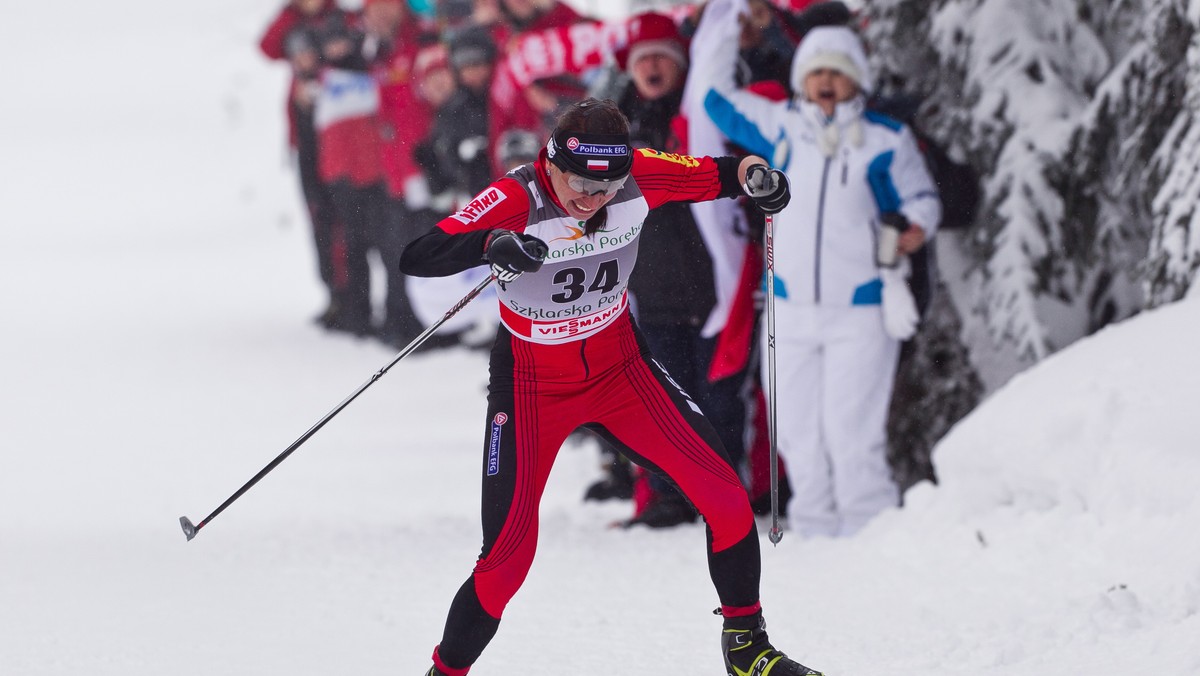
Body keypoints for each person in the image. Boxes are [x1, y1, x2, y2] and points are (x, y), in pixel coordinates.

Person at [399, 98, 822, 676]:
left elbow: (723, 173)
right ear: (551, 163)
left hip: (621, 372)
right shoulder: (515, 197)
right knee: (505, 561)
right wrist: (489, 244)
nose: (593, 200)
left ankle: (747, 648)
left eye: (609, 187)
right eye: (579, 186)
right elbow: (417, 255)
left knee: (726, 499)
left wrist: (759, 178)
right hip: (531, 388)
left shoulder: (640, 175)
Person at [702, 0, 941, 538]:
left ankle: (868, 527)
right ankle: (813, 528)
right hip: (788, 306)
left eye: (838, 71)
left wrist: (916, 227)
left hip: (860, 307)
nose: (826, 82)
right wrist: (723, 32)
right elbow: (714, 98)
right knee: (796, 429)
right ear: (801, 80)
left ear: (856, 78)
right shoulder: (779, 129)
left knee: (852, 430)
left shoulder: (886, 138)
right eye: (816, 73)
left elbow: (922, 196)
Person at [606, 12, 753, 529]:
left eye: (661, 58)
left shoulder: (698, 117)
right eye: (642, 58)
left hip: (712, 285)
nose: (650, 67)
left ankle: (723, 494)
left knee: (718, 399)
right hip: (651, 286)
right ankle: (669, 496)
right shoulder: (614, 124)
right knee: (665, 401)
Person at [258, 0, 349, 328]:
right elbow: (267, 47)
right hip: (307, 141)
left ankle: (352, 298)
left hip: (339, 139)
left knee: (345, 223)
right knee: (319, 220)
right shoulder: (292, 21)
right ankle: (334, 294)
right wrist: (294, 13)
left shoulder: (340, 19)